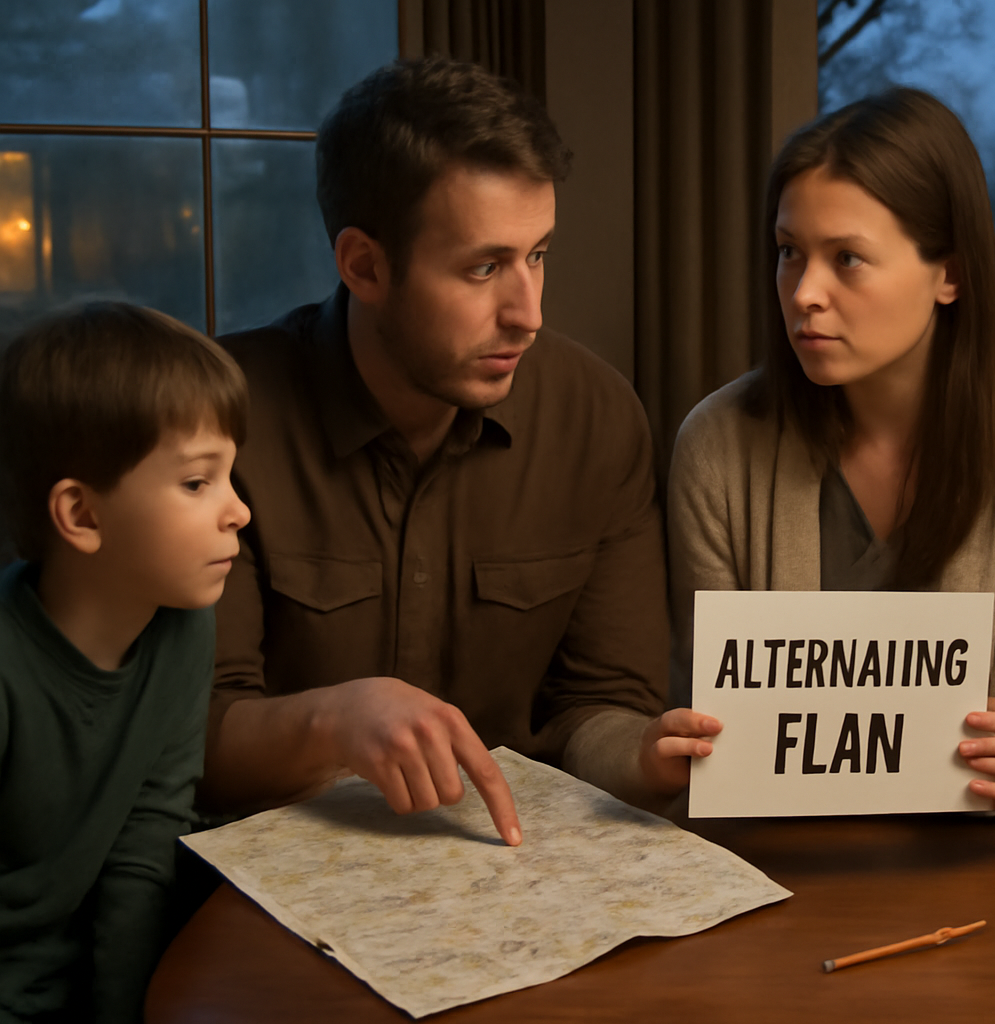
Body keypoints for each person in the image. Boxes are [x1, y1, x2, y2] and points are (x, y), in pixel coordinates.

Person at [202, 58, 714, 844]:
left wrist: (643, 757)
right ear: (365, 265)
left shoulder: (596, 417)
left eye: (537, 255)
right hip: (272, 882)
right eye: (484, 268)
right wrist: (337, 720)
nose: (528, 313)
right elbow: (191, 738)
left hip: (510, 866)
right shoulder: (222, 419)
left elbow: (597, 704)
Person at [667, 88, 995, 810]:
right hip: (773, 855)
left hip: (985, 859)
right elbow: (712, 705)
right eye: (788, 253)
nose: (804, 292)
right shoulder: (715, 442)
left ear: (951, 273)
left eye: (847, 258)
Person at [0, 303, 251, 1023]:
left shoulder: (183, 627)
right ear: (81, 515)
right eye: (198, 482)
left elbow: (144, 850)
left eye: (231, 477)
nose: (238, 511)